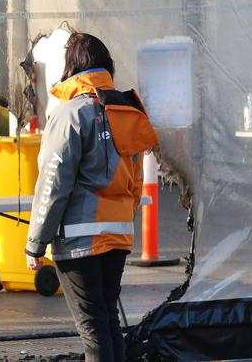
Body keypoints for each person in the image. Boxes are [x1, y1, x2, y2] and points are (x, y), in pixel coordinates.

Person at [24, 32, 158, 362]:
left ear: (70, 67)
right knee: (108, 320)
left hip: (79, 237)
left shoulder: (72, 113)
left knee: (92, 328)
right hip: (117, 234)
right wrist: (124, 222)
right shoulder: (127, 111)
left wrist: (35, 242)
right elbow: (136, 181)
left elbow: (54, 183)